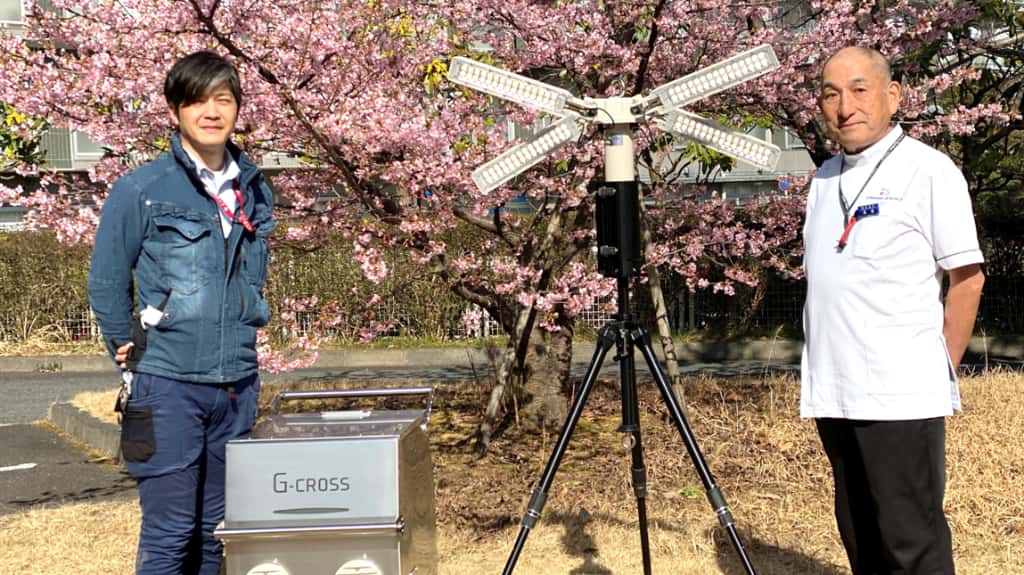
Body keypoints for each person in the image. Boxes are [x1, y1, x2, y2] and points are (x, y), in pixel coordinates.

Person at [88, 50, 275, 575]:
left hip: (237, 384)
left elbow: (248, 278)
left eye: (224, 100)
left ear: (237, 109)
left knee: (220, 532)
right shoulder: (142, 189)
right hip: (168, 383)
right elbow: (106, 279)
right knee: (170, 534)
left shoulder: (255, 190)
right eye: (197, 101)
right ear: (174, 112)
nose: (212, 112)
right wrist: (125, 346)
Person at [800, 46, 985, 574]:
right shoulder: (823, 179)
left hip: (900, 394)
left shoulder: (928, 170)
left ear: (893, 95)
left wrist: (937, 368)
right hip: (834, 392)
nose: (845, 107)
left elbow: (967, 278)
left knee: (911, 542)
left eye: (859, 89)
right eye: (831, 94)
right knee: (861, 537)